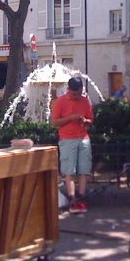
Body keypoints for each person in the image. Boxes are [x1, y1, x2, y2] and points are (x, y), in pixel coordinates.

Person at [51, 75, 94, 214]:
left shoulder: (85, 101)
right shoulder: (60, 102)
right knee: (69, 170)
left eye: (79, 93)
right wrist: (71, 118)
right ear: (68, 89)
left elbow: (91, 120)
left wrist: (86, 121)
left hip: (83, 137)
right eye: (74, 93)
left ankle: (81, 197)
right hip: (67, 138)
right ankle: (72, 198)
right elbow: (55, 122)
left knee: (84, 169)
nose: (76, 96)